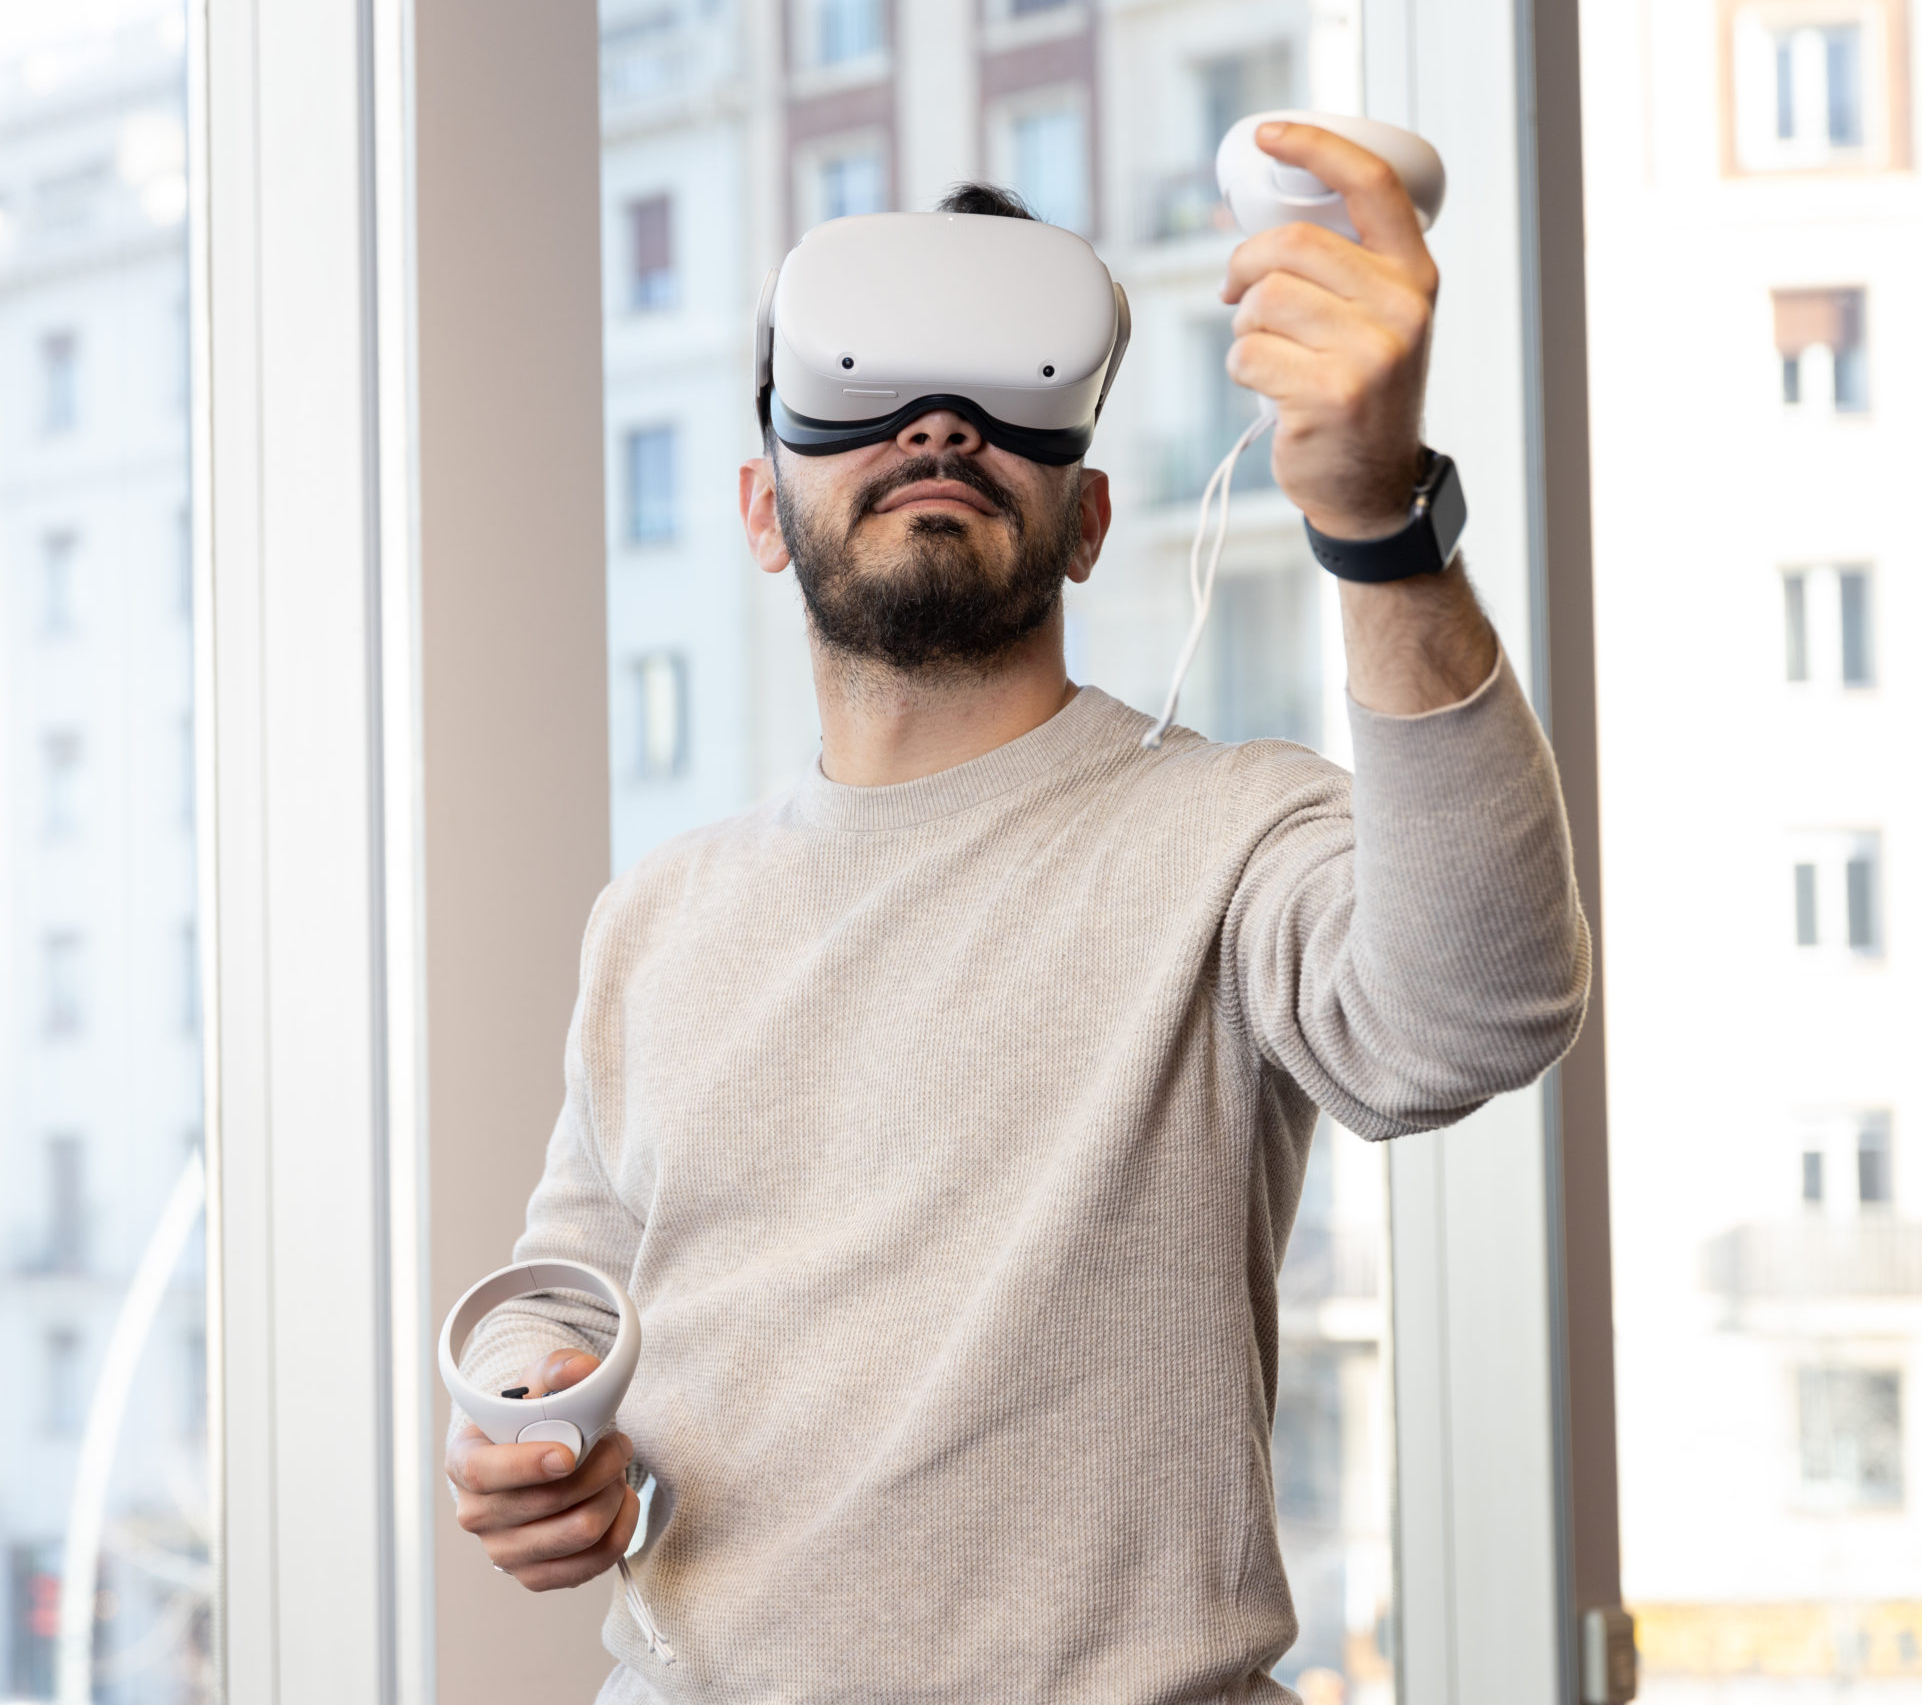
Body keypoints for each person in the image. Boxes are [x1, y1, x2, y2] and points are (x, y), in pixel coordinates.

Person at [446, 123, 1588, 1702]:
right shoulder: (659, 914)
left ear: (1091, 521)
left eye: (999, 399)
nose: (937, 426)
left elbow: (1480, 1013)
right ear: (761, 511)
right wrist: (537, 1417)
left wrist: (1378, 527)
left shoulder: (1237, 836)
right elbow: (572, 1281)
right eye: (871, 392)